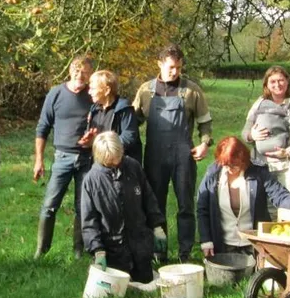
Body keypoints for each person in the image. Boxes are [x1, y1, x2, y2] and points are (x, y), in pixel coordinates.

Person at [132, 43, 213, 262]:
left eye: (178, 67)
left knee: (185, 205)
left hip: (183, 156)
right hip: (154, 156)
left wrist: (204, 143)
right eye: (170, 67)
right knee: (155, 204)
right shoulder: (146, 91)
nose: (174, 71)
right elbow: (131, 122)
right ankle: (159, 251)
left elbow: (205, 122)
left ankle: (185, 253)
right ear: (159, 64)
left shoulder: (191, 90)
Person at [197, 137, 290, 257]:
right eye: (226, 165)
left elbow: (279, 194)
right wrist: (206, 241)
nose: (230, 169)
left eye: (234, 165)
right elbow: (202, 208)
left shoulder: (259, 171)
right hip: (222, 246)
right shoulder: (212, 174)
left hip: (255, 244)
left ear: (243, 159)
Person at [80, 132, 167, 284]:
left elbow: (149, 199)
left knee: (146, 282)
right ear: (100, 158)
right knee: (120, 286)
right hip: (113, 249)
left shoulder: (133, 166)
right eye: (110, 163)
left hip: (139, 243)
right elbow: (89, 221)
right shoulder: (91, 180)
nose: (115, 164)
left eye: (117, 160)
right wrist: (98, 250)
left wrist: (157, 226)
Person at [33, 55, 95, 259]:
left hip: (88, 159)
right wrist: (39, 160)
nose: (80, 75)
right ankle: (41, 251)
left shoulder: (93, 95)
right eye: (77, 71)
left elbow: (104, 124)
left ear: (90, 75)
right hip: (62, 158)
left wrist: (93, 138)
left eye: (85, 72)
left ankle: (79, 250)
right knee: (50, 205)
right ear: (70, 71)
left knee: (83, 206)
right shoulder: (56, 93)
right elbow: (42, 128)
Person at [242, 66, 290, 205]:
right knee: (270, 209)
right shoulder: (259, 104)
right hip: (264, 165)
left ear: (287, 81)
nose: (277, 85)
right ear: (266, 84)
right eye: (273, 81)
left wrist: (288, 152)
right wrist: (252, 135)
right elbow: (245, 132)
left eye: (281, 80)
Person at [77, 69, 142, 163]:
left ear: (107, 90)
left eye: (93, 89)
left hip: (122, 167)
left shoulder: (124, 109)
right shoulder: (94, 109)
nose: (89, 92)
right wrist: (89, 141)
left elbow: (129, 137)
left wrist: (103, 144)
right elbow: (94, 137)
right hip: (100, 165)